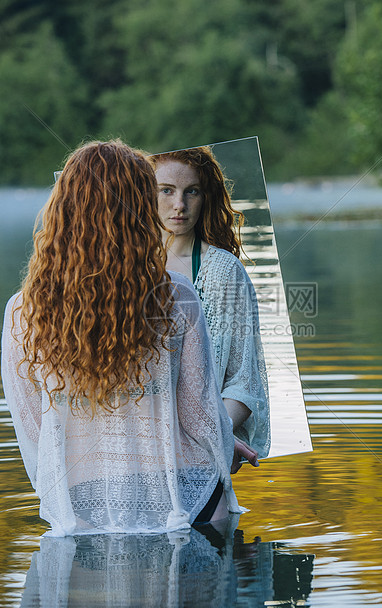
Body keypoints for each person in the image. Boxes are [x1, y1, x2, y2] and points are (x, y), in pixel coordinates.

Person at [1, 140, 246, 537]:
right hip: (183, 499)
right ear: (140, 211)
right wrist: (225, 443)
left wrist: (67, 502)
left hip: (79, 503)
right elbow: (199, 416)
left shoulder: (20, 311)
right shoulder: (177, 297)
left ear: (62, 209)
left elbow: (33, 427)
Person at [149, 147, 270, 460]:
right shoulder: (119, 268)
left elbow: (244, 385)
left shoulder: (225, 271)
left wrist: (212, 438)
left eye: (192, 192)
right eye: (166, 191)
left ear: (206, 198)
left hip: (203, 453)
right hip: (138, 451)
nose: (179, 205)